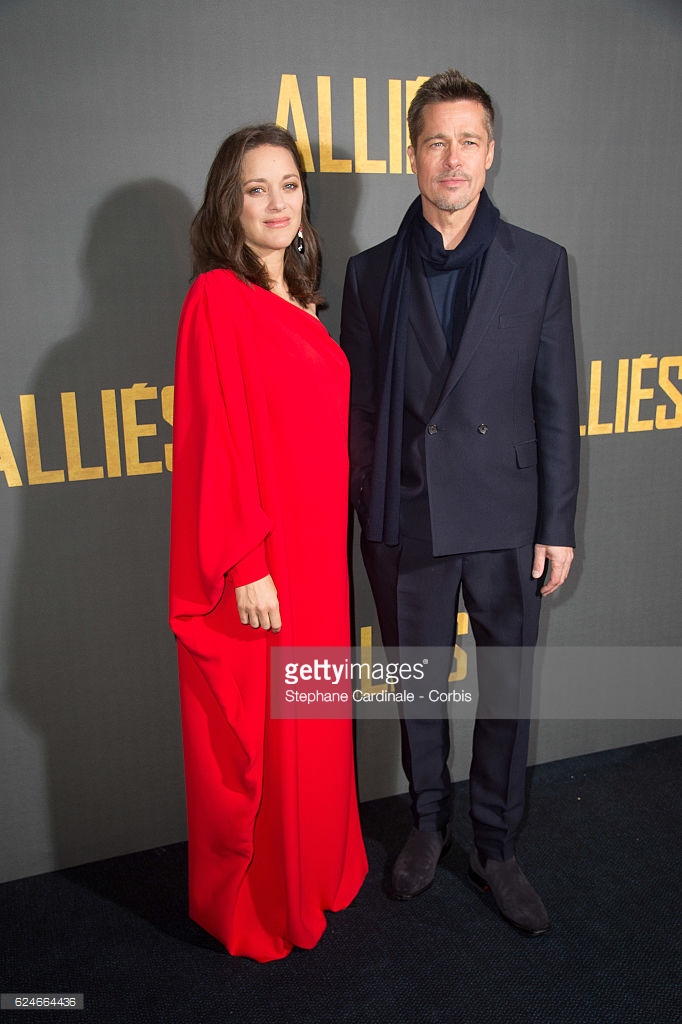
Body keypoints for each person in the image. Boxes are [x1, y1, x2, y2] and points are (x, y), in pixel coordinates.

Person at [340, 70, 579, 935]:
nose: (453, 158)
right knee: (417, 681)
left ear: (491, 152)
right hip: (411, 516)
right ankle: (430, 823)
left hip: (510, 518)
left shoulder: (540, 263)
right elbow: (362, 410)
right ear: (412, 155)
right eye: (436, 141)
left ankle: (496, 842)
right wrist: (371, 508)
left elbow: (558, 404)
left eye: (468, 141)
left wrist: (558, 525)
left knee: (506, 685)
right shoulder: (370, 277)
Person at [169, 124, 367, 962]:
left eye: (288, 185)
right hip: (269, 558)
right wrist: (246, 562)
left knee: (317, 717)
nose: (278, 202)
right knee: (275, 731)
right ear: (230, 204)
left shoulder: (306, 303)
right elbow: (216, 435)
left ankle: (319, 865)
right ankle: (271, 894)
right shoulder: (217, 298)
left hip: (321, 557)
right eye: (257, 189)